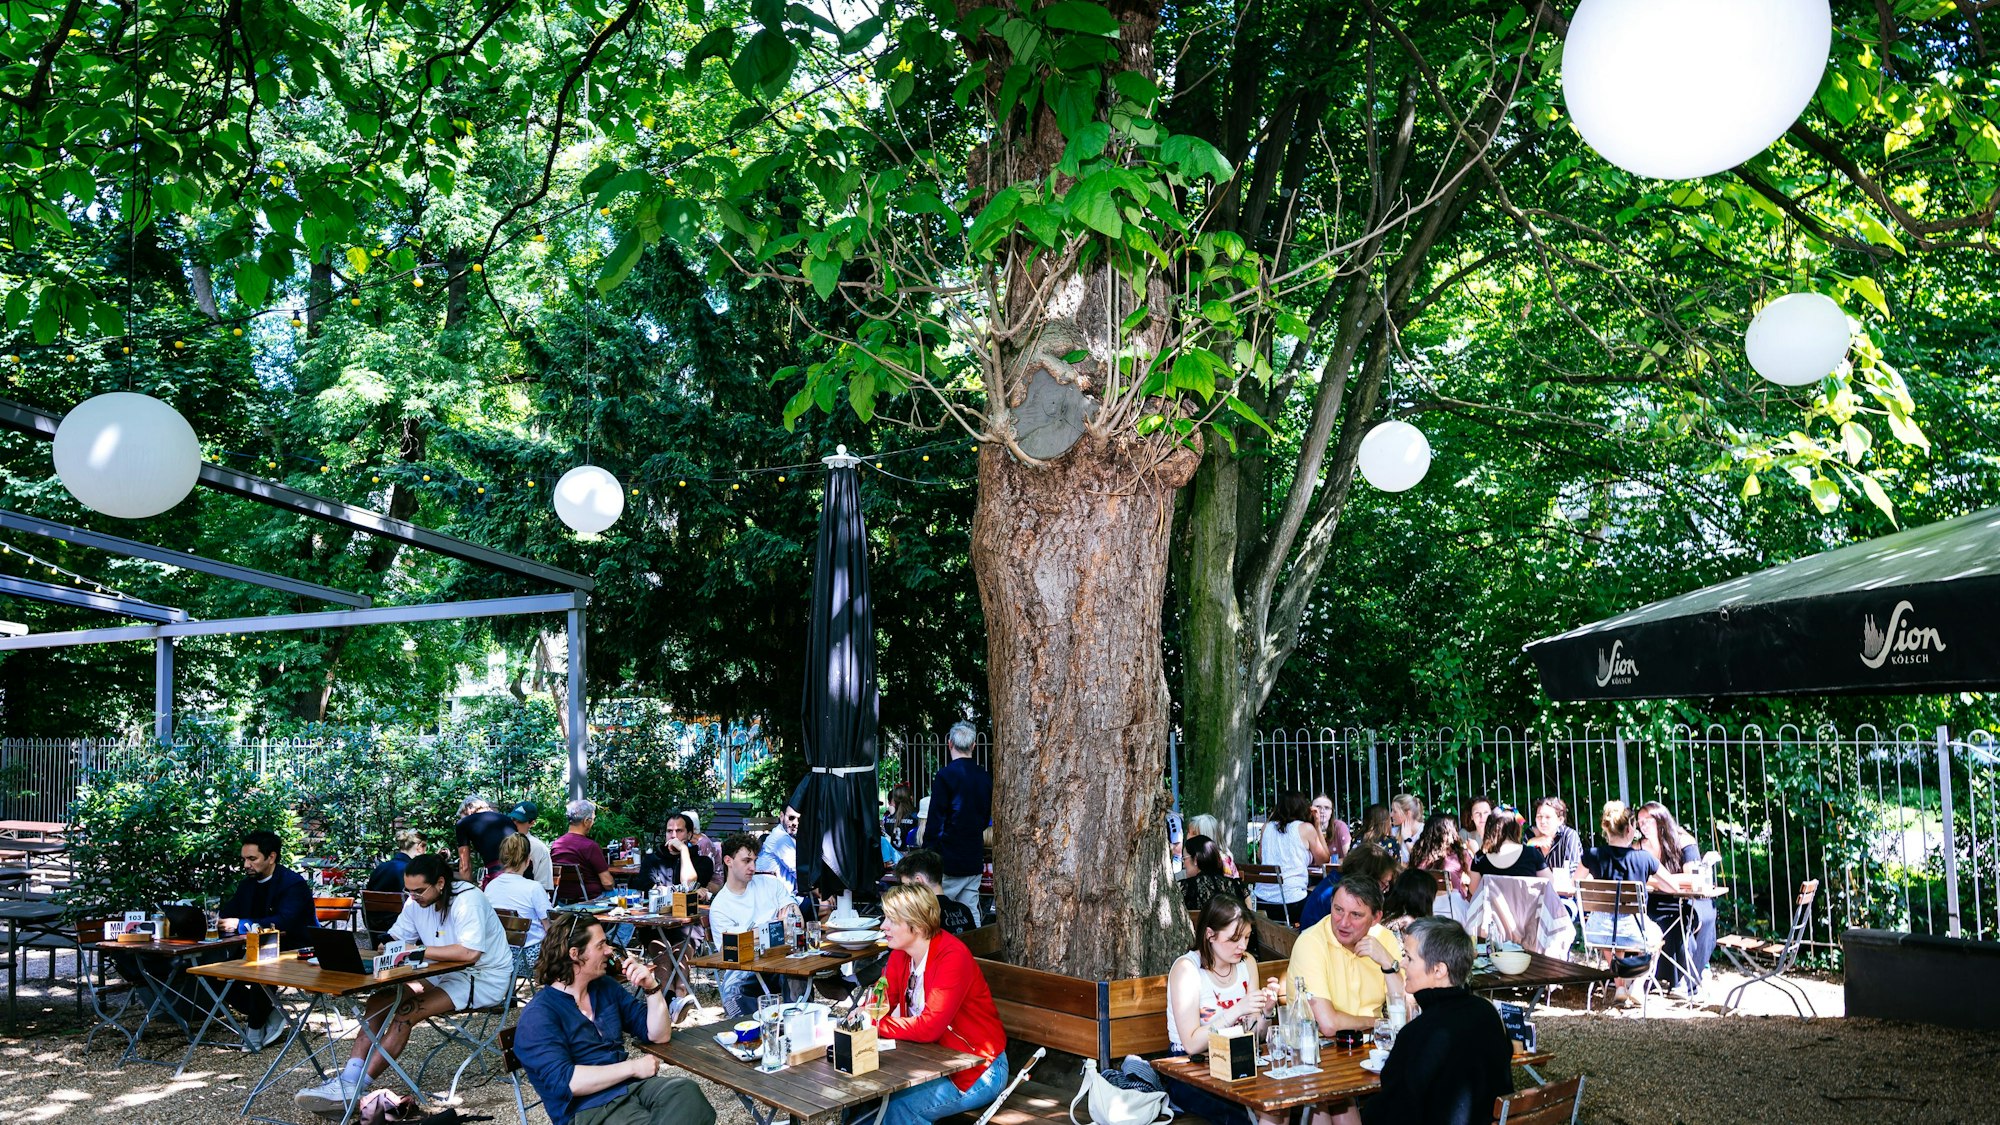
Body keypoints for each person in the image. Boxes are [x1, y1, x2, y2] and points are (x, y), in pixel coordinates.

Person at [294, 853, 513, 1114]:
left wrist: (416, 950)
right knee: (378, 1001)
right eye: (408, 891)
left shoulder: (468, 900)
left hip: (481, 977)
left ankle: (357, 1087)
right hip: (441, 971)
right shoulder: (416, 900)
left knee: (405, 1013)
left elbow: (469, 953)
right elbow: (397, 935)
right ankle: (346, 1081)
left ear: (441, 883)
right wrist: (386, 943)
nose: (414, 896)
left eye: (419, 890)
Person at [512, 912, 717, 1125]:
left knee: (685, 1092)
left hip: (629, 1088)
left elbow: (659, 1035)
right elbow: (567, 1081)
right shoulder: (539, 1015)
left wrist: (652, 988)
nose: (609, 951)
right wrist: (633, 1067)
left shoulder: (605, 988)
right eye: (600, 945)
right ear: (575, 954)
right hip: (589, 1109)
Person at [873, 883, 1009, 1125]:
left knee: (902, 1106)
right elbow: (879, 1002)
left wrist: (878, 1025)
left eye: (891, 920)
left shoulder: (952, 956)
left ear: (917, 924)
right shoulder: (900, 953)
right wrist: (866, 1016)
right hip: (929, 1060)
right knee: (865, 1095)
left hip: (979, 1069)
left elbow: (929, 1027)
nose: (883, 926)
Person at [1359, 917, 1512, 1125]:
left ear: (1439, 970)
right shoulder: (1488, 1012)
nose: (1402, 963)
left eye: (1409, 958)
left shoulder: (1420, 1032)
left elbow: (1393, 1113)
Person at [1163, 896, 1283, 1125]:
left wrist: (1267, 1011)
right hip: (1191, 1067)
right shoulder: (1187, 970)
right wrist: (1236, 1011)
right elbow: (1191, 1043)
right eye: (1234, 939)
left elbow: (1255, 1033)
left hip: (1240, 1059)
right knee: (1245, 1117)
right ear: (1210, 935)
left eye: (1247, 937)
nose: (1243, 946)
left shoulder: (1246, 963)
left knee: (1279, 1105)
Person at [210, 829, 316, 1049]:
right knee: (212, 972)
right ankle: (270, 1012)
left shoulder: (292, 884)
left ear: (271, 857)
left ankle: (255, 1030)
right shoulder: (247, 885)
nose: (246, 865)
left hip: (298, 947)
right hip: (255, 946)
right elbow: (229, 912)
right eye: (244, 859)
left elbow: (285, 920)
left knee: (262, 966)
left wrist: (239, 924)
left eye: (252, 859)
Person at [1579, 800, 1672, 1006]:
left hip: (1597, 930)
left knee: (1612, 935)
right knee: (1655, 937)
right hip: (1633, 930)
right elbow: (1672, 886)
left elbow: (1575, 884)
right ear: (1630, 829)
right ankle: (1638, 985)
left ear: (1605, 828)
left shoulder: (1591, 855)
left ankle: (1619, 986)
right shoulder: (1643, 858)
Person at [1289, 876, 1406, 1035]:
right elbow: (1328, 1024)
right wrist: (1378, 1023)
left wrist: (1387, 963)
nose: (1343, 923)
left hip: (1374, 1043)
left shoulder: (1384, 939)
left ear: (1376, 918)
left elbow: (1405, 1009)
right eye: (1338, 910)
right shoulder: (1310, 943)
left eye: (1356, 915)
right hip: (1325, 1049)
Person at [708, 833, 800, 1017]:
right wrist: (777, 926)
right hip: (745, 970)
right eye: (746, 861)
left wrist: (754, 933)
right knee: (732, 992)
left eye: (755, 860)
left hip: (781, 959)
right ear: (728, 861)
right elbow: (730, 949)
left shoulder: (770, 884)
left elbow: (797, 921)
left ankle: (797, 1027)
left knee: (798, 973)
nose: (753, 867)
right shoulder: (720, 906)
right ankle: (755, 1036)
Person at [1637, 801, 1717, 996]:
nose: (1643, 825)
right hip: (1655, 901)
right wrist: (1663, 882)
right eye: (1640, 822)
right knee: (1651, 920)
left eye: (1648, 820)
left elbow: (1692, 878)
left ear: (1661, 820)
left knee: (1695, 918)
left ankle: (1688, 978)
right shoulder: (1639, 846)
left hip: (1689, 899)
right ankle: (1658, 976)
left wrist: (1658, 879)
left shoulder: (1683, 841)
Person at [921, 721, 992, 917]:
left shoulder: (945, 776)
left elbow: (936, 820)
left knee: (937, 912)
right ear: (973, 746)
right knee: (970, 911)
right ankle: (975, 948)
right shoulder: (985, 777)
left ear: (949, 743)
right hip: (973, 854)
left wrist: (928, 853)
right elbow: (985, 818)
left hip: (947, 858)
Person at [1253, 790, 1329, 924]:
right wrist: (1317, 826)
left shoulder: (1267, 827)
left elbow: (1260, 856)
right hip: (1292, 904)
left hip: (1262, 901)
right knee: (1326, 899)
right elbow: (1324, 859)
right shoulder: (1306, 828)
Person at [486, 834, 554, 978]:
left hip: (499, 957)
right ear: (528, 860)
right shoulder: (533, 888)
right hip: (530, 959)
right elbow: (550, 927)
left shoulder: (490, 887)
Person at [1300, 843, 1398, 930]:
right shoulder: (1344, 893)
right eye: (1383, 884)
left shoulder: (1337, 881)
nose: (1383, 890)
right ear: (1371, 878)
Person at [895, 849, 978, 934]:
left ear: (918, 880)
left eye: (906, 885)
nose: (905, 891)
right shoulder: (964, 910)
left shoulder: (920, 914)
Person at [365, 829, 424, 938]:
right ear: (420, 847)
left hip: (374, 928)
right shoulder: (411, 871)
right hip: (402, 930)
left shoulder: (380, 868)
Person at [552, 799, 616, 897]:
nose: (593, 822)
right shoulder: (590, 846)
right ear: (586, 821)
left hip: (562, 900)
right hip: (591, 900)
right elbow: (607, 883)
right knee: (632, 893)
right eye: (593, 819)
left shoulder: (556, 844)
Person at [643, 814, 716, 894]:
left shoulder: (703, 862)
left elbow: (689, 887)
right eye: (669, 831)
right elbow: (646, 890)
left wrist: (683, 849)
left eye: (679, 831)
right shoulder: (651, 860)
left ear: (689, 835)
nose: (673, 836)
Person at [1410, 813, 1477, 901]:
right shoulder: (1460, 854)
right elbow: (1476, 878)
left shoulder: (1419, 854)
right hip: (1453, 907)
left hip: (1424, 906)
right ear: (1449, 832)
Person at [456, 795, 519, 883]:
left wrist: (468, 889)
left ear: (468, 810)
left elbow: (465, 866)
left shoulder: (463, 823)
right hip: (521, 872)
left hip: (497, 875)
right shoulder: (507, 819)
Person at [1179, 835, 1250, 912]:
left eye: (1184, 859)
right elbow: (1250, 918)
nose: (1183, 864)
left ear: (1195, 859)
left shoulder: (1184, 888)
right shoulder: (1238, 887)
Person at [1472, 810, 1549, 879]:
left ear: (1490, 828)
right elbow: (1549, 882)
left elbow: (1474, 890)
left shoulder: (1480, 857)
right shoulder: (1531, 854)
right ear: (1517, 829)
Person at [1527, 797, 1583, 875]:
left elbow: (1573, 871)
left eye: (1548, 817)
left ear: (1560, 820)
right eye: (1539, 817)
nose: (1542, 821)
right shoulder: (1529, 835)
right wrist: (1531, 843)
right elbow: (1523, 868)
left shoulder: (1569, 835)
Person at [510, 800, 556, 891]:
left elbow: (543, 886)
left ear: (532, 823)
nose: (514, 824)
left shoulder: (538, 848)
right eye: (513, 819)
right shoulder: (503, 843)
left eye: (519, 821)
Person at [757, 802, 800, 889]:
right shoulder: (781, 838)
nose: (795, 823)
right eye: (791, 818)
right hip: (777, 898)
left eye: (799, 819)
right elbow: (799, 872)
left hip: (776, 894)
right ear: (781, 816)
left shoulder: (783, 835)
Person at [1312, 794, 1352, 863]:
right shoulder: (1305, 828)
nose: (1322, 811)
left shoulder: (1340, 827)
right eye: (1318, 807)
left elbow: (1349, 857)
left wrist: (1330, 862)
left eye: (1327, 808)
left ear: (1331, 812)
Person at [1388, 794, 1424, 863]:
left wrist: (1407, 839)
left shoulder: (1424, 831)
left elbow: (1422, 860)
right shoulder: (1393, 832)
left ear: (1408, 813)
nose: (1391, 815)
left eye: (1395, 811)